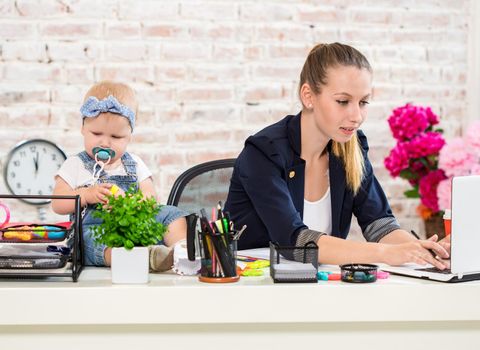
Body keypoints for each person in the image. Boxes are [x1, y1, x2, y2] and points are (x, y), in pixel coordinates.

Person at [224, 43, 450, 268]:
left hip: (324, 287)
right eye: (343, 101)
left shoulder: (351, 148)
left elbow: (379, 224)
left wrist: (424, 252)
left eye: (363, 102)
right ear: (308, 96)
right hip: (255, 288)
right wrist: (387, 253)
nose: (356, 116)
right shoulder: (264, 152)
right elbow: (295, 242)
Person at [52, 81, 187, 271]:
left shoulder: (135, 164)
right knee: (85, 238)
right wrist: (86, 195)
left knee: (170, 213)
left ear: (129, 136)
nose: (105, 142)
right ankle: (145, 257)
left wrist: (129, 202)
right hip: (98, 231)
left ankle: (181, 252)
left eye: (116, 137)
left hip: (135, 226)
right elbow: (57, 203)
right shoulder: (75, 164)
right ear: (82, 128)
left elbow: (151, 199)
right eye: (96, 133)